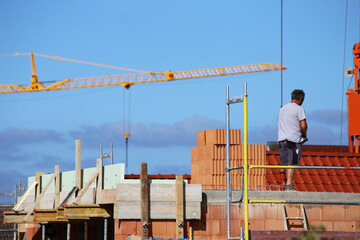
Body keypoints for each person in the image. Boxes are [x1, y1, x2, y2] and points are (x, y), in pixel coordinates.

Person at [278, 89, 308, 191]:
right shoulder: (299, 109)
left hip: (282, 139)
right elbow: (303, 125)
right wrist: (304, 136)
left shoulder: (283, 109)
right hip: (294, 139)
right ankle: (289, 185)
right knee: (293, 162)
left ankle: (287, 183)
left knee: (285, 162)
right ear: (301, 99)